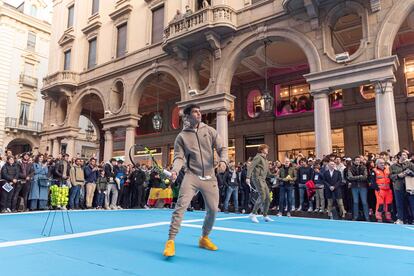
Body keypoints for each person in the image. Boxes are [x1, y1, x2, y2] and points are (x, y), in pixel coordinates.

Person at [163, 104, 227, 257]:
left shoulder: (210, 131)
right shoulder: (181, 137)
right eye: (195, 112)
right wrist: (175, 171)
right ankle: (171, 241)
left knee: (212, 210)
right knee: (181, 207)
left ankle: (204, 238)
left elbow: (222, 148)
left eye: (200, 111)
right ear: (187, 116)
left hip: (210, 176)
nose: (199, 114)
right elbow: (179, 157)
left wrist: (224, 161)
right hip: (191, 175)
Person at [246, 144, 274, 223]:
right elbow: (251, 167)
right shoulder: (258, 157)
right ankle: (253, 214)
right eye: (266, 148)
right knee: (262, 195)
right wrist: (248, 177)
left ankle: (265, 215)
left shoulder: (265, 159)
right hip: (257, 178)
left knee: (268, 198)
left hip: (263, 180)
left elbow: (268, 173)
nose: (267, 150)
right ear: (262, 150)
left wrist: (275, 175)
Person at [390, 151, 414, 224]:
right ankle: (400, 219)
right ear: (399, 156)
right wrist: (398, 175)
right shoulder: (393, 166)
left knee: (412, 203)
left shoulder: (410, 164)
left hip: (409, 186)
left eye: (406, 155)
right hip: (398, 187)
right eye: (404, 154)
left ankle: (412, 219)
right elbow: (391, 176)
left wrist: (410, 173)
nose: (406, 156)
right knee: (399, 204)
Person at [347, 156, 369, 221]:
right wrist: (359, 176)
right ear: (354, 161)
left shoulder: (364, 167)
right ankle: (355, 217)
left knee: (364, 202)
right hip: (354, 187)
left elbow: (365, 177)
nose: (358, 161)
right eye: (356, 160)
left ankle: (367, 217)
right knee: (355, 202)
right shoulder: (350, 168)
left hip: (363, 186)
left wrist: (355, 177)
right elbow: (350, 177)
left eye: (359, 160)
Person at [370, 158, 393, 222]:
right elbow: (372, 181)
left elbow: (391, 180)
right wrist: (377, 189)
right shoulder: (374, 171)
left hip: (388, 190)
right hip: (380, 190)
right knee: (380, 203)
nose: (383, 164)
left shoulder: (388, 170)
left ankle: (388, 217)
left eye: (383, 163)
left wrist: (391, 189)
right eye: (381, 163)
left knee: (388, 203)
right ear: (377, 164)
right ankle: (379, 217)